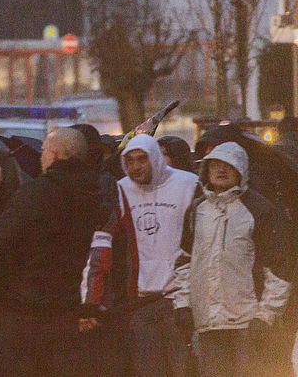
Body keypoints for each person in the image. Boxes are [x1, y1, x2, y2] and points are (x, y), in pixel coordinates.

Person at [0, 127, 103, 376]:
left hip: (23, 313)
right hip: (66, 313)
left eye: (44, 152)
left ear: (56, 155)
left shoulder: (37, 192)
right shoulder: (96, 195)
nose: (41, 157)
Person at [82, 133, 199, 377]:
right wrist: (91, 299)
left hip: (179, 298)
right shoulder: (121, 189)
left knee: (182, 368)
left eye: (142, 160)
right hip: (140, 299)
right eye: (131, 161)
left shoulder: (188, 184)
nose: (136, 167)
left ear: (155, 158)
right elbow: (102, 243)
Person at [173, 141, 292, 377]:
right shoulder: (197, 211)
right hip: (207, 323)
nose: (221, 170)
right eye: (215, 165)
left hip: (248, 324)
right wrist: (183, 304)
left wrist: (265, 315)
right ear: (205, 170)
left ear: (241, 170)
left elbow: (279, 268)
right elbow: (185, 261)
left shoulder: (259, 210)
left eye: (228, 165)